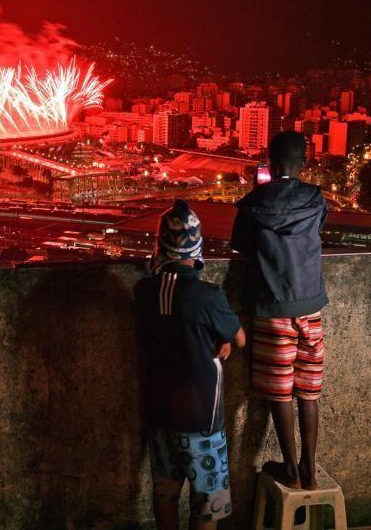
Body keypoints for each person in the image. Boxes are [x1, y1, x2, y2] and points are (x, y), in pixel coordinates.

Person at [135, 199, 245, 530]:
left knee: (166, 493)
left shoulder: (144, 291)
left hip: (158, 414)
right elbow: (238, 338)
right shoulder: (208, 296)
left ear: (160, 248)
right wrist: (222, 340)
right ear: (196, 250)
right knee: (206, 504)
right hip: (202, 420)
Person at [231, 130, 328, 490]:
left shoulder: (253, 204)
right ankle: (310, 467)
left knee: (279, 390)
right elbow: (319, 229)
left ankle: (289, 466)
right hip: (311, 306)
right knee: (308, 390)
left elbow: (240, 246)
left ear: (270, 163)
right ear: (304, 162)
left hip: (272, 307)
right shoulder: (316, 199)